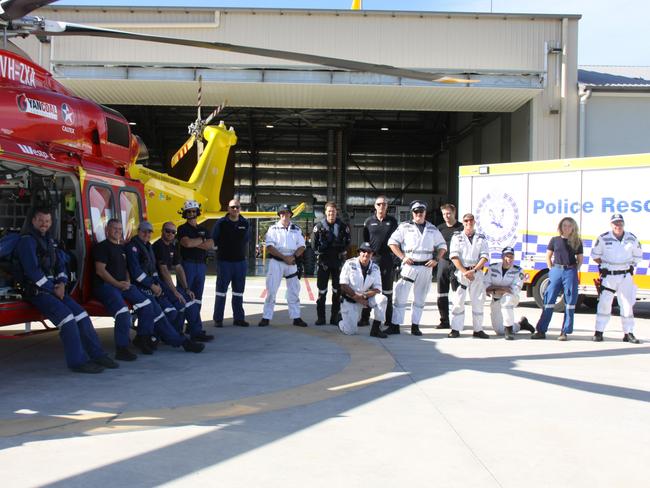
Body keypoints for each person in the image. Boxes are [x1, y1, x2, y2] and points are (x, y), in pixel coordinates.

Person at [14, 208, 117, 373]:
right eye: (40, 220)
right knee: (68, 320)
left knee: (82, 315)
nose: (44, 224)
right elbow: (32, 272)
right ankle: (77, 362)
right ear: (33, 221)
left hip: (55, 289)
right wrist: (52, 288)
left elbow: (61, 265)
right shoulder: (27, 241)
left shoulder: (50, 241)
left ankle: (98, 354)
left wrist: (62, 283)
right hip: (37, 292)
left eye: (47, 221)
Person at [125, 221, 204, 353]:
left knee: (175, 308)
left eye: (149, 232)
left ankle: (149, 337)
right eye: (144, 231)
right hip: (140, 287)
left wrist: (159, 286)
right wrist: (152, 286)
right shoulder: (133, 247)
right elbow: (136, 273)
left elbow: (154, 270)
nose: (146, 234)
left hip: (153, 285)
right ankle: (181, 342)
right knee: (162, 314)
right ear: (138, 231)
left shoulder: (148, 246)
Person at [93, 218, 156, 360]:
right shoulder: (102, 247)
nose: (118, 231)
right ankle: (122, 349)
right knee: (123, 313)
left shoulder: (122, 248)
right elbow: (100, 271)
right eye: (114, 228)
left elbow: (126, 268)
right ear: (107, 230)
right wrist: (117, 284)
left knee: (147, 304)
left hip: (123, 285)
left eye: (120, 229)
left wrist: (127, 281)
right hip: (106, 286)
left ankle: (142, 338)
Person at [388, 201, 447, 336]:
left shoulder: (432, 228)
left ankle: (415, 326)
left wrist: (436, 259)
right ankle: (395, 325)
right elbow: (392, 243)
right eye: (416, 212)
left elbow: (443, 246)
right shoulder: (404, 227)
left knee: (420, 298)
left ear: (425, 212)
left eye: (421, 211)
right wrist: (402, 257)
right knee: (400, 296)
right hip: (409, 266)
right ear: (412, 213)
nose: (419, 214)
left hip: (425, 267)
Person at [591, 214, 643, 344]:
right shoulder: (603, 238)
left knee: (627, 304)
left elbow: (638, 257)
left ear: (623, 224)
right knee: (604, 304)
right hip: (609, 275)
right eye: (615, 223)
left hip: (625, 276)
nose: (618, 226)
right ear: (611, 224)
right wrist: (607, 265)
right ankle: (599, 332)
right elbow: (595, 256)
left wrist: (626, 265)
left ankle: (628, 333)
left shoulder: (632, 238)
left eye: (620, 223)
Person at [531, 217, 583, 341]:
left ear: (573, 228)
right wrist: (552, 270)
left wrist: (574, 270)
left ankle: (564, 331)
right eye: (564, 225)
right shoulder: (555, 240)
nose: (566, 228)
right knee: (549, 300)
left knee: (570, 302)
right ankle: (541, 330)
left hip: (570, 271)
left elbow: (580, 259)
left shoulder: (577, 241)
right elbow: (548, 256)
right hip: (556, 270)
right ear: (560, 227)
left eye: (569, 226)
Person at [152, 221, 205, 339]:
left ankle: (196, 332)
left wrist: (186, 288)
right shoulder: (158, 246)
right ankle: (175, 334)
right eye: (167, 231)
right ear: (162, 231)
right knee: (181, 303)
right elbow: (164, 271)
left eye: (173, 232)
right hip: (159, 285)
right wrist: (175, 291)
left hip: (167, 285)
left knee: (190, 300)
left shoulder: (173, 246)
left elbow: (179, 267)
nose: (170, 234)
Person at [259, 204, 308, 327]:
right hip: (277, 262)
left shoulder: (297, 229)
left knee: (294, 291)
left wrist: (294, 257)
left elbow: (302, 246)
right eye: (282, 213)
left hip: (292, 261)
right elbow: (270, 247)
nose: (284, 215)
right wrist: (284, 258)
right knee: (271, 290)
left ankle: (296, 317)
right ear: (279, 215)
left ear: (291, 214)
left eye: (286, 213)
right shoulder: (273, 229)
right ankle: (266, 317)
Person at [360, 195, 399, 330]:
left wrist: (396, 259)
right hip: (373, 260)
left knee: (387, 291)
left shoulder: (393, 221)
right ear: (375, 206)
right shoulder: (369, 221)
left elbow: (398, 241)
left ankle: (388, 320)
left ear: (387, 206)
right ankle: (365, 318)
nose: (381, 206)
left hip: (388, 260)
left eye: (384, 204)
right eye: (379, 204)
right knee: (369, 289)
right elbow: (365, 242)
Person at [177, 199, 214, 342]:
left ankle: (194, 328)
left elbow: (210, 245)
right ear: (185, 213)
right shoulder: (182, 229)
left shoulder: (204, 229)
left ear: (197, 213)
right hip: (187, 265)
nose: (192, 214)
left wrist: (195, 243)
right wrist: (201, 241)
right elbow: (186, 243)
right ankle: (178, 328)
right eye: (189, 211)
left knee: (197, 298)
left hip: (201, 266)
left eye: (194, 211)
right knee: (183, 296)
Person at [448, 213, 490, 338]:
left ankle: (478, 330)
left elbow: (484, 256)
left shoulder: (481, 238)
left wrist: (474, 270)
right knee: (458, 302)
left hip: (476, 273)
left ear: (474, 222)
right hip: (461, 273)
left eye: (471, 220)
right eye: (466, 221)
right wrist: (465, 271)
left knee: (478, 302)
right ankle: (455, 329)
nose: (468, 223)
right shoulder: (457, 237)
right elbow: (454, 256)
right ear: (463, 222)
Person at [211, 199, 250, 327]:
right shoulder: (221, 223)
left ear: (240, 209)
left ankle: (238, 318)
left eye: (237, 207)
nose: (235, 209)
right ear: (228, 209)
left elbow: (246, 239)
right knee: (221, 291)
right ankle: (218, 319)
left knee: (238, 292)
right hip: (224, 263)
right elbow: (214, 239)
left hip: (240, 263)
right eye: (232, 207)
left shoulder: (245, 223)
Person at [312, 201, 351, 326]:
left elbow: (348, 242)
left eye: (333, 212)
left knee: (337, 291)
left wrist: (341, 248)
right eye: (329, 211)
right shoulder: (318, 227)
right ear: (325, 212)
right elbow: (313, 245)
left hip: (337, 262)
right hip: (323, 262)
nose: (331, 214)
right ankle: (321, 318)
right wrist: (321, 249)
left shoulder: (343, 226)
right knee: (322, 291)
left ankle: (334, 317)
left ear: (336, 213)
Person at [338, 242, 388, 338]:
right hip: (350, 299)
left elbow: (378, 289)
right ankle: (341, 321)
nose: (366, 254)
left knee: (382, 299)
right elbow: (343, 285)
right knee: (350, 331)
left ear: (372, 254)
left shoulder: (375, 267)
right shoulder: (349, 263)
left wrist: (364, 296)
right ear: (359, 253)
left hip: (365, 298)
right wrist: (356, 297)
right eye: (363, 251)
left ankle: (375, 330)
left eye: (369, 252)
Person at [484, 246, 535, 340]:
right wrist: (502, 288)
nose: (509, 259)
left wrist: (494, 289)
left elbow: (514, 290)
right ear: (502, 257)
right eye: (507, 256)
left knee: (506, 299)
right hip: (495, 299)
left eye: (511, 257)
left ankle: (509, 330)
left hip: (512, 298)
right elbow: (485, 287)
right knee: (499, 331)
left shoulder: (518, 271)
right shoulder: (492, 268)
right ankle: (521, 324)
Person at [435, 203, 464, 330]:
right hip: (443, 262)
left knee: (458, 294)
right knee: (442, 293)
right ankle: (444, 320)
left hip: (457, 263)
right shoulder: (439, 228)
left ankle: (457, 322)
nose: (446, 216)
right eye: (444, 214)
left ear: (454, 213)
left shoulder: (461, 228)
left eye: (448, 213)